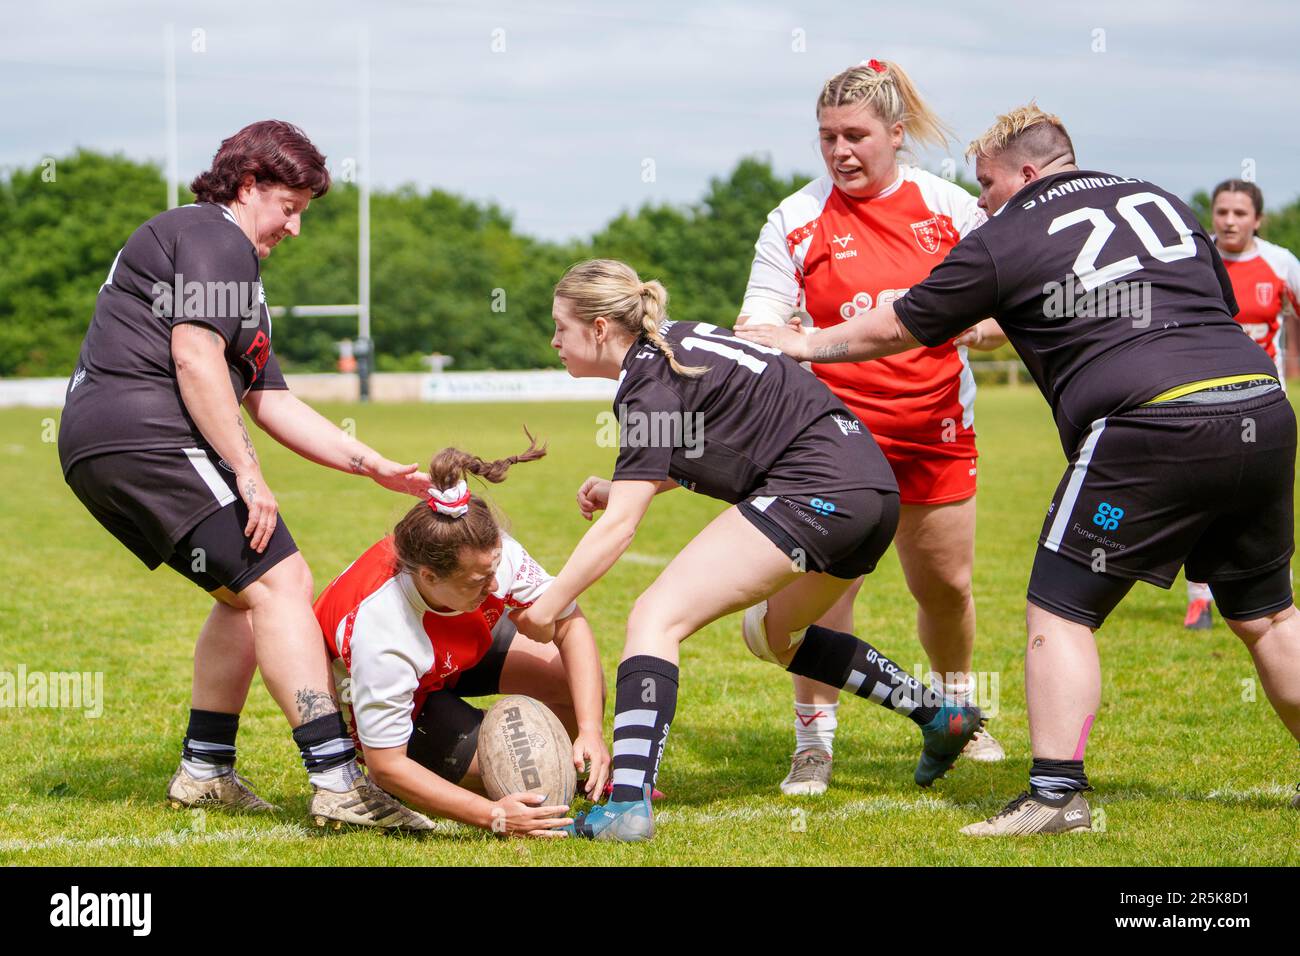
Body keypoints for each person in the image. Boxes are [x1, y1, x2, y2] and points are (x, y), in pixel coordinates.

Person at [737, 103, 1300, 831]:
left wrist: (803, 344)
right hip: (1258, 407)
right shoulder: (1162, 199)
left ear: (1028, 174)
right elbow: (1208, 308)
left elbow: (901, 322)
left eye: (988, 183)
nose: (981, 200)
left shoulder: (1011, 230)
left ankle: (1056, 796)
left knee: (1060, 609)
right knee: (1269, 617)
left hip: (1148, 423)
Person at [510, 258, 984, 842]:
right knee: (772, 636)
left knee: (654, 618)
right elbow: (735, 434)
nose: (554, 340)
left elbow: (619, 529)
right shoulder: (679, 342)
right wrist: (630, 483)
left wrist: (548, 604)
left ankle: (627, 805)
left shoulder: (647, 383)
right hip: (873, 492)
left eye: (560, 326)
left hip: (815, 490)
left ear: (601, 327)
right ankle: (940, 715)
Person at [58, 120, 431, 829]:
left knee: (243, 595)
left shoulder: (231, 271)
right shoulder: (214, 236)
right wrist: (248, 475)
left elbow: (272, 401)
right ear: (249, 184)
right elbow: (195, 357)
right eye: (288, 207)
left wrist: (372, 464)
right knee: (283, 581)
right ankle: (337, 779)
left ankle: (206, 769)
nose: (294, 228)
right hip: (146, 432)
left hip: (103, 441)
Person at [740, 59, 1006, 796]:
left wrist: (977, 327)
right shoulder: (795, 217)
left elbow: (999, 307)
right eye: (827, 137)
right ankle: (813, 743)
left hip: (935, 430)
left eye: (855, 135)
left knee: (945, 588)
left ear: (895, 134)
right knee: (829, 592)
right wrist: (769, 327)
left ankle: (959, 711)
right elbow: (758, 314)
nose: (840, 152)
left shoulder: (951, 207)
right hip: (835, 439)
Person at [312, 436, 609, 836]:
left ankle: (570, 772)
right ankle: (519, 793)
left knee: (568, 679)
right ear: (428, 576)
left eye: (495, 569)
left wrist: (590, 730)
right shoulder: (384, 633)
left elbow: (571, 625)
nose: (494, 584)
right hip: (405, 690)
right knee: (505, 779)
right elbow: (388, 765)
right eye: (478, 580)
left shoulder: (484, 551)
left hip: (453, 643)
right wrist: (494, 815)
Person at [1182, 179, 1300, 630]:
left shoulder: (1279, 263)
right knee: (1199, 496)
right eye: (1222, 211)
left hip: (1264, 406)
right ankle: (1199, 599)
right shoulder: (1192, 257)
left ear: (1258, 219)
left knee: (1268, 502)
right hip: (1199, 401)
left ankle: (1276, 595)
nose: (1230, 220)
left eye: (1240, 213)